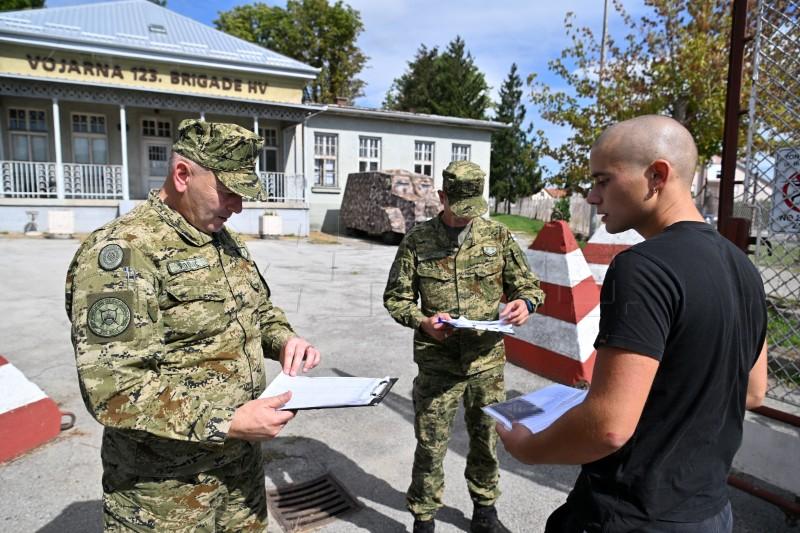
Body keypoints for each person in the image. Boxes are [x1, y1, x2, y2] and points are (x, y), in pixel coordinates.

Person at [497, 115, 768, 532]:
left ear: (657, 175)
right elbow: (752, 392)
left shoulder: (642, 268)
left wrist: (529, 448)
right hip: (709, 512)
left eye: (603, 180)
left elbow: (608, 427)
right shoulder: (743, 267)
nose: (591, 196)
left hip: (630, 514)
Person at [65, 119, 321, 531]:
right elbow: (114, 389)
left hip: (239, 474)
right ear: (182, 175)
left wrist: (283, 339)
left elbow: (258, 310)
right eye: (228, 192)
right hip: (164, 492)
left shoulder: (223, 239)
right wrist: (229, 421)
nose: (237, 206)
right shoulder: (123, 252)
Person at [383, 160, 545, 533]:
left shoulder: (498, 237)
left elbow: (529, 286)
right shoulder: (417, 241)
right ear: (442, 197)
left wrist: (525, 304)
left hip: (486, 363)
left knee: (487, 441)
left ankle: (485, 510)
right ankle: (424, 518)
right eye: (458, 209)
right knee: (430, 445)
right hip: (437, 365)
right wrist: (422, 321)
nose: (465, 218)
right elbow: (396, 298)